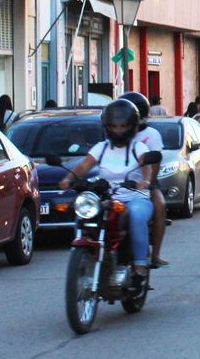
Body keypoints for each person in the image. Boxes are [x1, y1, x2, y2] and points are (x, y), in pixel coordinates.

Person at [59, 99, 158, 286]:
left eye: (123, 126)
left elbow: (147, 167)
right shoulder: (101, 147)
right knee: (84, 213)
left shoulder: (139, 148)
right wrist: (68, 179)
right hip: (108, 197)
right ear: (107, 126)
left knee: (136, 215)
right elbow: (84, 165)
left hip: (135, 197)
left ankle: (139, 266)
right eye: (114, 126)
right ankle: (86, 251)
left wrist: (144, 181)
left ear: (132, 126)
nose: (118, 130)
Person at [119, 91, 171, 268]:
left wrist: (148, 183)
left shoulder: (152, 134)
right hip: (118, 180)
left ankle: (155, 254)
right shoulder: (115, 131)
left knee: (160, 205)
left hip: (145, 180)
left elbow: (155, 160)